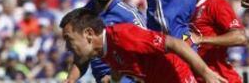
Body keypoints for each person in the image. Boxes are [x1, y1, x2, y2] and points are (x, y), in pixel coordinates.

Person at [60, 8, 227, 83]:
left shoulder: (120, 35)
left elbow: (175, 43)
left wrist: (207, 74)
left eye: (69, 39)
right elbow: (121, 63)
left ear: (89, 34)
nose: (67, 47)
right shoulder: (103, 51)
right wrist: (113, 79)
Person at [66, 0, 146, 83]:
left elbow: (148, 56)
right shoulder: (84, 16)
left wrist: (116, 76)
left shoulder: (129, 16)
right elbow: (82, 57)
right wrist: (70, 79)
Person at [185, 0, 247, 82]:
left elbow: (240, 37)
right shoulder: (184, 7)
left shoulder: (217, 4)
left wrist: (201, 39)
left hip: (221, 78)